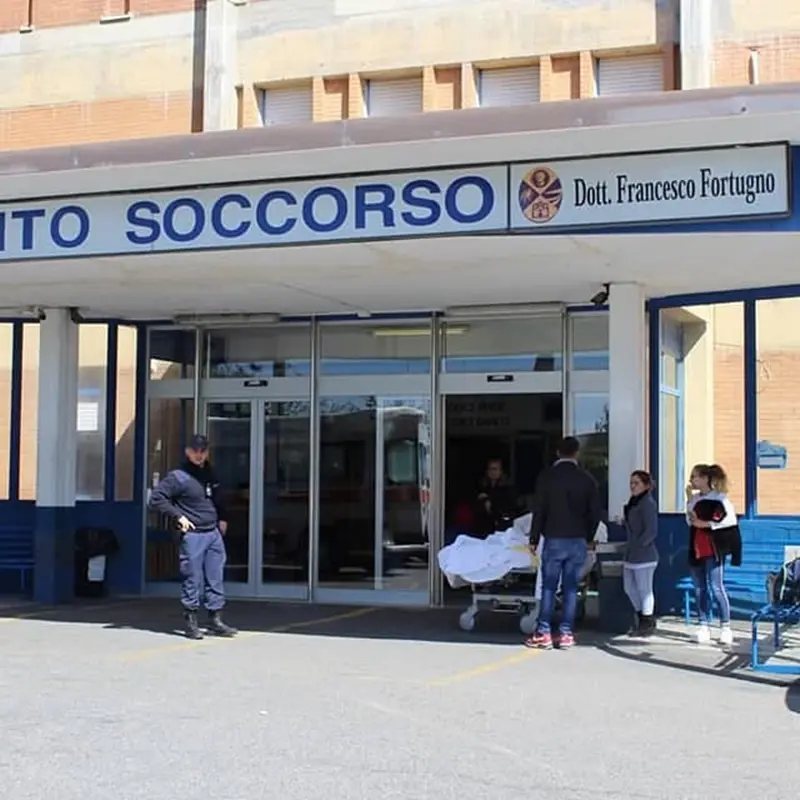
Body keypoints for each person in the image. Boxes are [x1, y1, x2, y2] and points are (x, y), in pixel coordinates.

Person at [149, 434, 237, 640]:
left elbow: (218, 497)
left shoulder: (209, 472)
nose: (199, 455)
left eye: (203, 451)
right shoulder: (178, 476)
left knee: (215, 577)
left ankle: (215, 619)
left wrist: (223, 518)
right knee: (192, 577)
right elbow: (157, 499)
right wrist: (178, 516)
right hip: (193, 535)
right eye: (195, 451)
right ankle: (191, 621)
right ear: (188, 451)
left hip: (213, 532)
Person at [525, 436, 603, 650]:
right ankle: (566, 633)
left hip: (554, 538)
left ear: (557, 453)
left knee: (549, 586)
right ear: (577, 453)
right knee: (570, 588)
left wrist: (533, 538)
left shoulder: (547, 477)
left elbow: (539, 510)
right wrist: (588, 537)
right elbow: (595, 513)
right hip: (577, 540)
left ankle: (544, 632)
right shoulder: (586, 479)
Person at [685, 463, 741, 646]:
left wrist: (707, 524)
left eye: (695, 477)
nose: (691, 480)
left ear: (705, 478)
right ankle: (703, 624)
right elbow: (690, 522)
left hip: (713, 548)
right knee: (700, 588)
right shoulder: (693, 500)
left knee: (716, 586)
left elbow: (730, 520)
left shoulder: (720, 498)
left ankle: (725, 626)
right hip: (696, 547)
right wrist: (689, 507)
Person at [621, 470, 659, 637]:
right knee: (629, 587)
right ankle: (640, 615)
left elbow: (651, 530)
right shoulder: (633, 502)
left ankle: (647, 621)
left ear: (646, 485)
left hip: (644, 555)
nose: (632, 486)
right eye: (631, 483)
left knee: (645, 589)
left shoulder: (647, 503)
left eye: (636, 483)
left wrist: (641, 544)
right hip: (631, 553)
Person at [476, 458, 518, 536]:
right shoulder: (483, 486)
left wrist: (490, 502)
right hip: (483, 530)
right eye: (490, 469)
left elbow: (507, 510)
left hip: (501, 529)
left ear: (501, 471)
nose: (493, 472)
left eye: (495, 469)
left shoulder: (507, 488)